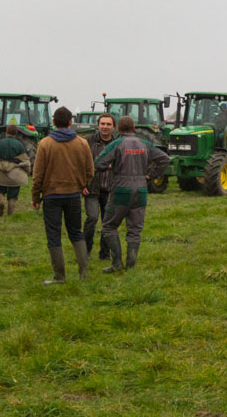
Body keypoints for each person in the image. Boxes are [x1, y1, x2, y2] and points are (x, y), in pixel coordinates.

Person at [94, 115, 171, 272]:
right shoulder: (145, 143)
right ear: (134, 128)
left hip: (121, 189)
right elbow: (164, 159)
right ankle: (131, 266)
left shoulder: (117, 144)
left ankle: (116, 263)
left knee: (109, 226)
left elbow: (98, 163)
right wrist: (151, 175)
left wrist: (111, 167)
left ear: (118, 129)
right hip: (141, 189)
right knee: (135, 230)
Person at [31, 106, 94, 285]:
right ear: (70, 122)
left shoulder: (45, 144)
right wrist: (82, 184)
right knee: (76, 232)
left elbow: (37, 175)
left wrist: (36, 197)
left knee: (54, 235)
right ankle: (84, 274)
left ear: (53, 122)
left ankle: (59, 277)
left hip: (51, 196)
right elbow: (90, 170)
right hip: (74, 194)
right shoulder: (82, 143)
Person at [84, 113, 118, 260]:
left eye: (108, 124)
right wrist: (81, 184)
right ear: (98, 125)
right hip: (91, 187)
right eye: (102, 124)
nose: (105, 127)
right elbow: (80, 164)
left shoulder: (118, 143)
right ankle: (85, 251)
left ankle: (104, 254)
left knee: (107, 222)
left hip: (110, 188)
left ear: (113, 127)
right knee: (92, 218)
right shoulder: (87, 142)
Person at [0, 124, 32, 217]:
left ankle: (1, 201)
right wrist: (27, 172)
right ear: (16, 133)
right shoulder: (19, 145)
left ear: (6, 132)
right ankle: (10, 214)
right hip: (15, 176)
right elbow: (26, 162)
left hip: (0, 175)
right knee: (13, 196)